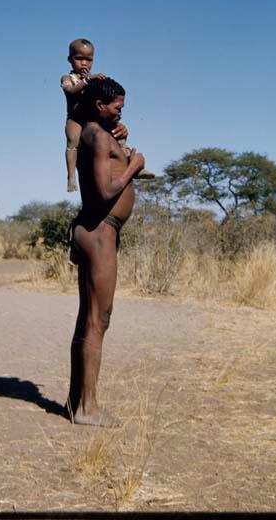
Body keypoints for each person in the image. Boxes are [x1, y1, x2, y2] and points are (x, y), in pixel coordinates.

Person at [65, 77, 145, 427]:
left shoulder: (99, 135)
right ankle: (88, 409)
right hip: (99, 234)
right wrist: (133, 166)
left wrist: (122, 148)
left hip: (97, 232)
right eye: (116, 107)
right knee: (99, 321)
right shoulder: (96, 138)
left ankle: (74, 402)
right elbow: (103, 190)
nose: (120, 111)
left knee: (88, 320)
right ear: (99, 106)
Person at [60, 38, 154, 192]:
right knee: (72, 143)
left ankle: (131, 161)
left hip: (92, 117)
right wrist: (87, 80)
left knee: (119, 132)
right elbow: (70, 90)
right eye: (79, 58)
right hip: (76, 118)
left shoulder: (93, 78)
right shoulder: (68, 78)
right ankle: (71, 177)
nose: (84, 63)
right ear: (70, 60)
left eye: (88, 60)